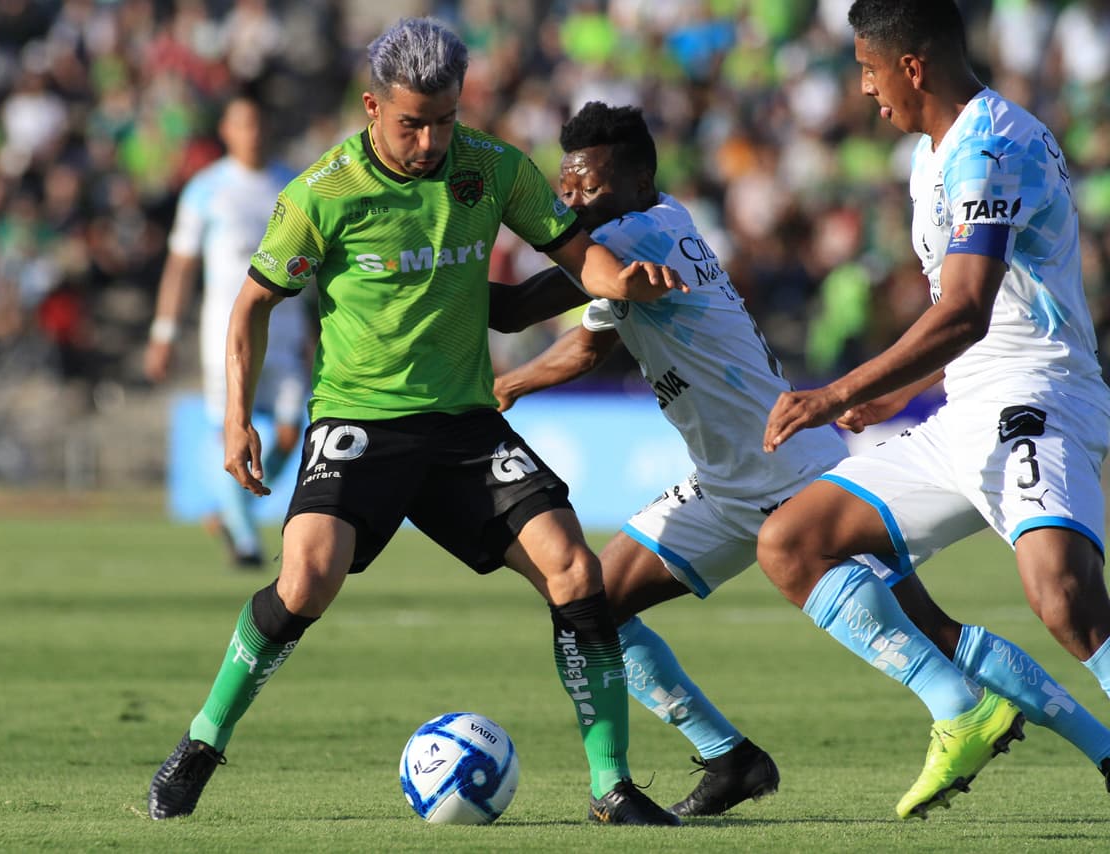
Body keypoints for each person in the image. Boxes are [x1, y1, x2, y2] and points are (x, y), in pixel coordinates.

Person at [491, 101, 1110, 819]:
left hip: (791, 470)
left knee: (938, 634)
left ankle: (1096, 745)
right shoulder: (643, 238)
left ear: (635, 181)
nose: (571, 206)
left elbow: (510, 310)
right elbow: (588, 344)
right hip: (728, 481)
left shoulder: (638, 236)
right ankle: (730, 758)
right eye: (563, 192)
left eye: (587, 189)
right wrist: (511, 382)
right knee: (593, 605)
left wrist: (432, 276)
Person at [146, 17, 688, 825]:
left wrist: (627, 278)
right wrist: (237, 420)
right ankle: (200, 743)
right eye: (412, 123)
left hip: (465, 427)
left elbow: (577, 255)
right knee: (306, 580)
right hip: (360, 421)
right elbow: (252, 305)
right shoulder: (322, 195)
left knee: (576, 574)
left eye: (444, 120)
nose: (432, 141)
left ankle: (611, 786)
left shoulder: (495, 167)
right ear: (372, 106)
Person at [756, 0, 1110, 820]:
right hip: (963, 412)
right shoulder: (932, 156)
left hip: (1038, 395)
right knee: (792, 542)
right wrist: (896, 391)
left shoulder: (989, 146)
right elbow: (962, 321)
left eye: (869, 69)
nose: (866, 90)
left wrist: (839, 390)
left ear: (911, 65)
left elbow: (968, 310)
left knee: (1062, 593)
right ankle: (962, 706)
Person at [145, 95, 307, 567]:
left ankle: (227, 508)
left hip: (286, 329)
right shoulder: (206, 189)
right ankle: (246, 543)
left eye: (259, 122)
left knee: (286, 434)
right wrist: (164, 331)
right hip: (227, 335)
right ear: (227, 130)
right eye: (243, 124)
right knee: (232, 432)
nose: (252, 132)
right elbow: (181, 266)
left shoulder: (292, 184)